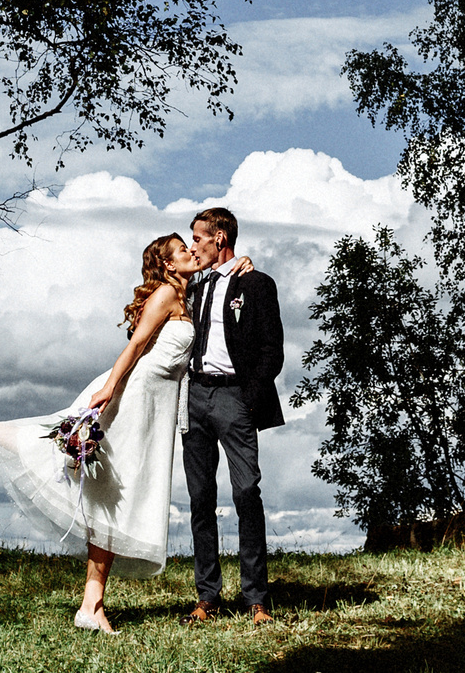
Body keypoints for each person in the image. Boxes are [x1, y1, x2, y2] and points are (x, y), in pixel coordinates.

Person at [0, 233, 199, 634]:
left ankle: (91, 607)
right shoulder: (165, 293)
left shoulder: (184, 295)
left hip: (153, 411)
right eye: (183, 250)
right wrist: (109, 387)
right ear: (167, 265)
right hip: (133, 398)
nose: (191, 252)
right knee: (64, 457)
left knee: (110, 497)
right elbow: (137, 343)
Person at [181, 205, 284, 624]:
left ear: (219, 238)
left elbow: (271, 351)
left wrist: (246, 397)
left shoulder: (256, 284)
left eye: (199, 238)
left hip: (234, 399)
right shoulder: (191, 288)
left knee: (246, 494)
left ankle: (255, 598)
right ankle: (208, 597)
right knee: (200, 500)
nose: (193, 246)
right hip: (194, 397)